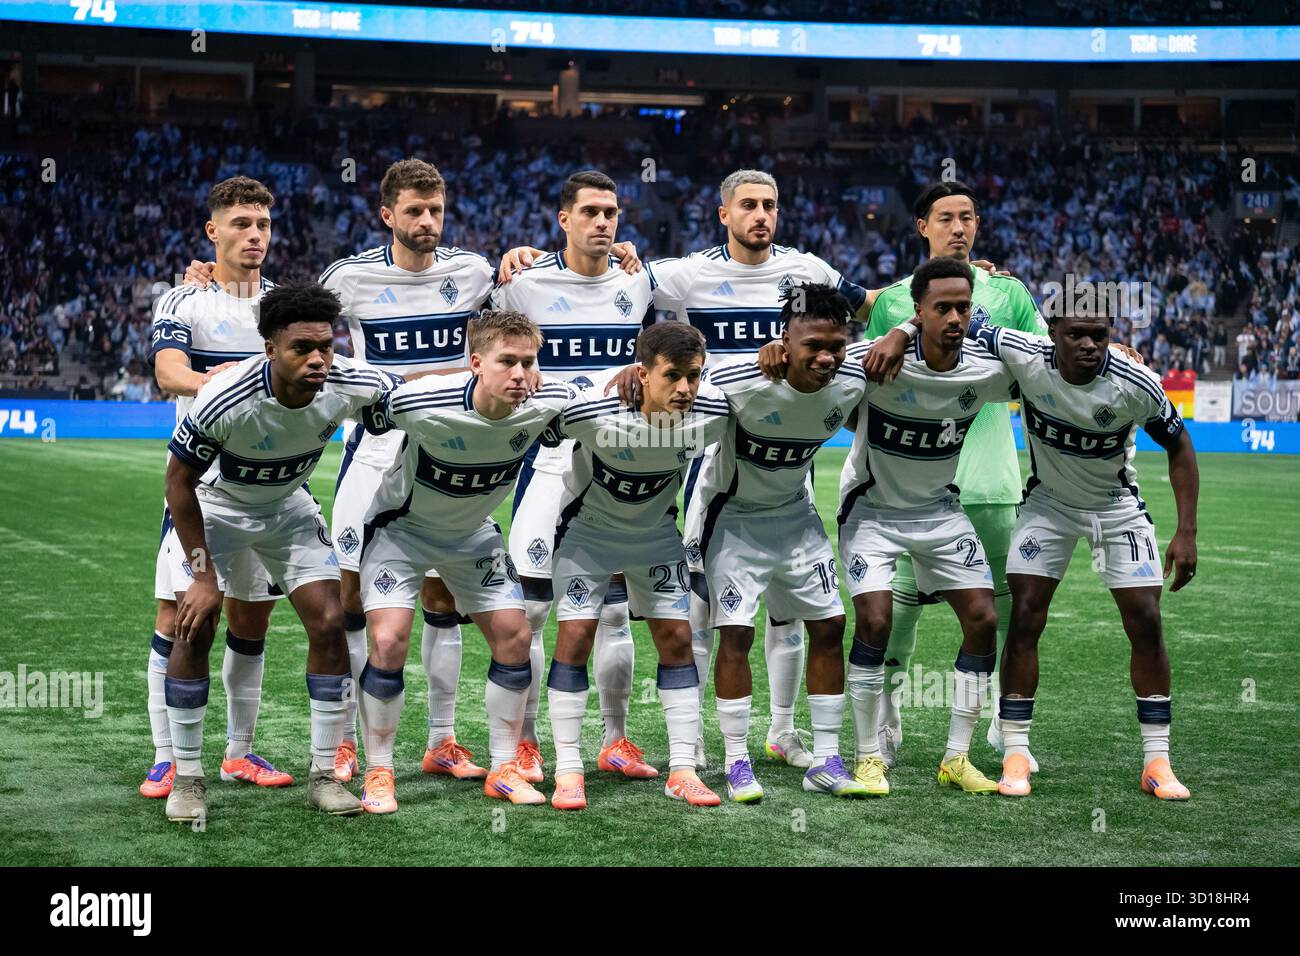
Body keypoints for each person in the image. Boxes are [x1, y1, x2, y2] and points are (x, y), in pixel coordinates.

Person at [162, 279, 399, 823]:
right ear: (269, 349)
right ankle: (188, 779)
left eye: (326, 346)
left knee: (330, 620)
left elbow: (407, 389)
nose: (318, 359)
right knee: (195, 625)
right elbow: (177, 484)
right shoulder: (225, 398)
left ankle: (323, 775)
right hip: (214, 506)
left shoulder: (348, 381)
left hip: (285, 507)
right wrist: (202, 575)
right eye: (302, 349)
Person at [965, 311, 1198, 800]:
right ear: (1053, 335)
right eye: (1077, 334)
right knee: (1025, 616)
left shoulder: (1136, 381)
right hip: (1047, 506)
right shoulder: (1024, 355)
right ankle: (1015, 752)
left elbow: (1179, 444)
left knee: (1146, 619)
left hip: (1115, 508)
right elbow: (964, 316)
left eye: (1100, 335)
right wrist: (975, 268)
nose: (1090, 345)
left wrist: (1186, 531)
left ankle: (1157, 760)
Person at [354, 311, 572, 811]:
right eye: (507, 362)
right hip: (400, 534)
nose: (520, 374)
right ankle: (379, 771)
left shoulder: (546, 402)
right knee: (388, 639)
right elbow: (370, 403)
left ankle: (502, 767)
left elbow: (594, 398)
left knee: (516, 636)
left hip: (471, 536)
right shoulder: (425, 401)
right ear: (476, 363)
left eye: (528, 362)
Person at [489, 170, 657, 780]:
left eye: (611, 212)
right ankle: (526, 743)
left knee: (613, 611)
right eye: (589, 212)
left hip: (615, 466)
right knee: (532, 612)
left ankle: (615, 740)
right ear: (564, 220)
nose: (603, 222)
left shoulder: (639, 286)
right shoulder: (523, 285)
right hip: (546, 461)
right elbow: (477, 347)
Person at [692, 283, 870, 801]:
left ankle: (829, 758)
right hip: (733, 520)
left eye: (836, 346)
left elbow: (905, 336)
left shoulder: (852, 377)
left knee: (831, 624)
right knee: (735, 635)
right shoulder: (739, 382)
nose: (826, 357)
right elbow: (674, 388)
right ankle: (735, 760)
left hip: (796, 516)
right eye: (812, 344)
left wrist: (903, 330)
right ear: (784, 341)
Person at [544, 322, 730, 810]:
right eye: (672, 376)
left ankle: (683, 770)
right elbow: (544, 399)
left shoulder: (713, 409)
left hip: (655, 537)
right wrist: (612, 372)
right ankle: (567, 771)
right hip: (587, 537)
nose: (686, 389)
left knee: (677, 640)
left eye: (694, 376)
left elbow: (756, 383)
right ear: (643, 374)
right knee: (577, 637)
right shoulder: (595, 409)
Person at [143, 176, 286, 801]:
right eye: (240, 224)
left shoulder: (282, 305)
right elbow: (168, 374)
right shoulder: (184, 300)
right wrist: (226, 378)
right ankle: (166, 757)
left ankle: (238, 752)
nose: (253, 235)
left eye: (262, 225)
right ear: (213, 230)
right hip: (198, 486)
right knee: (180, 619)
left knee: (252, 620)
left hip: (267, 487)